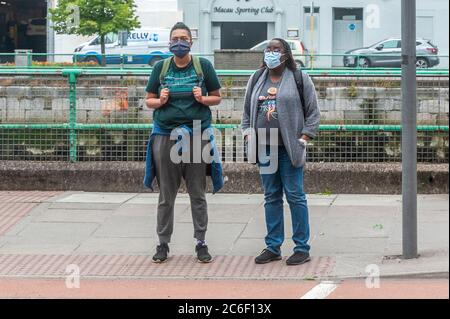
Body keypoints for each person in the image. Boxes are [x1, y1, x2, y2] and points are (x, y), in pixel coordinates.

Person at [144, 22, 223, 263]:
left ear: (191, 42)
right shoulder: (160, 68)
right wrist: (160, 100)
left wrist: (202, 98)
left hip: (196, 134)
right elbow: (148, 100)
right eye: (175, 38)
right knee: (166, 194)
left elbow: (217, 97)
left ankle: (201, 242)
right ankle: (163, 243)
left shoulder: (203, 66)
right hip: (165, 135)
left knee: (197, 193)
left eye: (183, 38)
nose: (179, 42)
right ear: (170, 42)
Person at [241, 38, 321, 266]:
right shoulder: (257, 78)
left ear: (286, 54)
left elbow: (313, 112)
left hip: (289, 148)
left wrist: (304, 137)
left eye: (276, 49)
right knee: (271, 197)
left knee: (295, 196)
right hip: (265, 148)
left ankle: (301, 248)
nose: (271, 53)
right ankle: (273, 246)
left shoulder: (299, 78)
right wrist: (248, 132)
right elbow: (246, 111)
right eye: (268, 49)